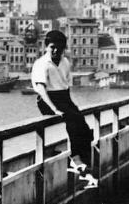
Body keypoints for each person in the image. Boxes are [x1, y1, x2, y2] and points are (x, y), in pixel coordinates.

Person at [32, 30, 98, 187]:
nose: (55, 51)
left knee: (84, 127)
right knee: (73, 122)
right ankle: (76, 160)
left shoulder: (65, 62)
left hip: (63, 98)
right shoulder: (41, 64)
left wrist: (69, 105)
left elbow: (65, 87)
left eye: (59, 48)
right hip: (47, 99)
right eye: (52, 47)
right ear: (46, 46)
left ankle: (85, 167)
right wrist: (54, 109)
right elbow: (41, 89)